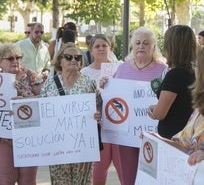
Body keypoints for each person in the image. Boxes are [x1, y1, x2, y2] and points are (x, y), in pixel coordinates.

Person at [100, 26, 167, 185]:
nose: (141, 46)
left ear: (154, 47)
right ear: (132, 45)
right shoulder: (122, 68)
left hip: (154, 136)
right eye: (137, 43)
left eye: (146, 43)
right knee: (128, 178)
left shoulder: (163, 70)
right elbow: (114, 97)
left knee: (152, 179)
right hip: (127, 135)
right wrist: (106, 85)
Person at [40, 42, 102, 184]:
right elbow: (40, 110)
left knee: (83, 181)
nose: (74, 60)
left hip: (83, 142)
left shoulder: (89, 82)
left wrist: (98, 114)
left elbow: (99, 104)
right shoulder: (49, 84)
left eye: (78, 57)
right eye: (68, 57)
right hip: (57, 144)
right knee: (60, 181)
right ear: (60, 61)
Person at [0, 43, 42, 185]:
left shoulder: (30, 75)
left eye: (18, 57)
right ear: (0, 62)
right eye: (10, 59)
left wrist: (24, 102)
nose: (15, 61)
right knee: (6, 179)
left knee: (28, 180)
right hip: (0, 137)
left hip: (28, 135)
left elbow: (45, 98)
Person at [146, 47, 204, 167]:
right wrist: (156, 139)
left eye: (197, 66)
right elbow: (183, 146)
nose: (194, 69)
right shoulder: (198, 110)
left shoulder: (175, 74)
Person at [81, 34, 123, 185]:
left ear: (110, 48)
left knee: (124, 170)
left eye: (104, 45)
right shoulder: (84, 73)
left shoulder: (121, 67)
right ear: (90, 50)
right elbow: (81, 100)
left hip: (119, 127)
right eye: (97, 46)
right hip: (98, 128)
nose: (101, 49)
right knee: (98, 172)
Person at [148, 25, 197, 140]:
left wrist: (153, 110)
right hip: (189, 136)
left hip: (173, 139)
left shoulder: (175, 75)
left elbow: (160, 114)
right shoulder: (196, 71)